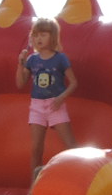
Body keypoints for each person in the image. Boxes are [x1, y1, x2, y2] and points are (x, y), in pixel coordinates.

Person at [15, 17, 79, 174]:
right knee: (36, 148)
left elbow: (73, 83)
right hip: (37, 106)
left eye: (43, 35)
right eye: (36, 35)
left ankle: (79, 175)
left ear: (53, 37)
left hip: (55, 104)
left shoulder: (60, 58)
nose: (39, 39)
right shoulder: (32, 60)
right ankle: (34, 183)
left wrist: (61, 98)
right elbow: (20, 84)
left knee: (70, 145)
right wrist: (20, 64)